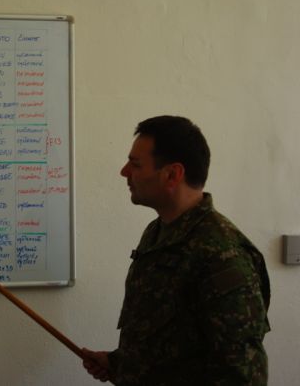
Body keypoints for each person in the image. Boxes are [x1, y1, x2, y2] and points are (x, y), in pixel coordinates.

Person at [82, 115, 271, 385]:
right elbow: (168, 340)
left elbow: (241, 374)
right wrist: (119, 363)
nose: (124, 172)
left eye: (135, 164)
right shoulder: (157, 232)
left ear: (172, 174)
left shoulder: (221, 254)